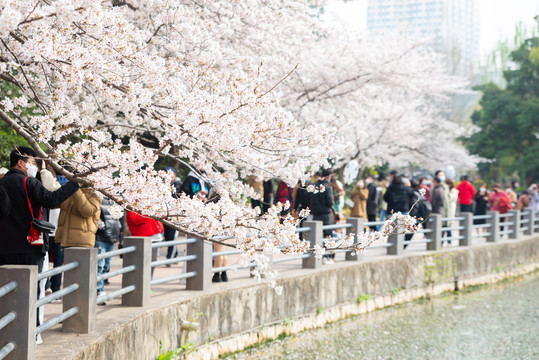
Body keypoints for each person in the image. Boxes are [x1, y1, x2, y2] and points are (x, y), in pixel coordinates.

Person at [0, 147, 79, 337]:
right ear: (21, 163)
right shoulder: (28, 182)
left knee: (6, 293)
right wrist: (76, 182)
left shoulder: (2, 183)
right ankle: (28, 335)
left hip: (3, 248)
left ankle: (6, 335)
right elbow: (52, 199)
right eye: (33, 162)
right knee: (29, 294)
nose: (33, 166)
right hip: (29, 247)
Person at [126, 210, 164, 281]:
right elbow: (135, 220)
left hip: (155, 235)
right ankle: (142, 282)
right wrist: (148, 212)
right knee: (142, 263)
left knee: (153, 261)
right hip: (143, 237)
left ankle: (149, 281)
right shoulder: (133, 205)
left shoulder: (148, 205)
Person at [95, 197, 121, 294]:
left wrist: (119, 230)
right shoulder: (98, 197)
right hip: (100, 237)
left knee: (106, 266)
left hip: (112, 237)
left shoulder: (114, 199)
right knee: (99, 266)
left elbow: (119, 218)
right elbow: (95, 214)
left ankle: (100, 289)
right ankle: (98, 290)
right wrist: (102, 227)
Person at [308, 169, 334, 264]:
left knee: (316, 235)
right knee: (328, 235)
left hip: (315, 214)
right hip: (325, 214)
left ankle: (315, 256)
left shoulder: (314, 186)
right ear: (329, 176)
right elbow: (330, 202)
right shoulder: (327, 187)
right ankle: (327, 257)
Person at [444, 178, 459, 244]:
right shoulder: (445, 190)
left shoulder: (454, 191)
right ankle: (442, 242)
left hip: (451, 210)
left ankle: (449, 242)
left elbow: (452, 199)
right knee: (444, 227)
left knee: (449, 227)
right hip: (445, 210)